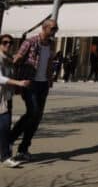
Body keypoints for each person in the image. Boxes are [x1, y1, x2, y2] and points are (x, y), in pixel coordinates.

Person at [9, 19, 57, 162]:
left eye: (56, 29)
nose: (55, 31)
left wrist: (50, 79)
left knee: (36, 117)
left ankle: (23, 149)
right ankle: (9, 139)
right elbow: (17, 58)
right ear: (45, 28)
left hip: (43, 84)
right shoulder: (30, 42)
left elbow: (49, 62)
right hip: (31, 82)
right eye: (53, 28)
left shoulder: (50, 44)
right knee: (33, 112)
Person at [0, 34, 31, 168]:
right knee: (4, 127)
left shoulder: (9, 59)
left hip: (6, 97)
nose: (8, 45)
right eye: (4, 42)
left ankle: (5, 155)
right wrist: (18, 83)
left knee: (4, 128)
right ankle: (5, 156)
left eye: (10, 43)